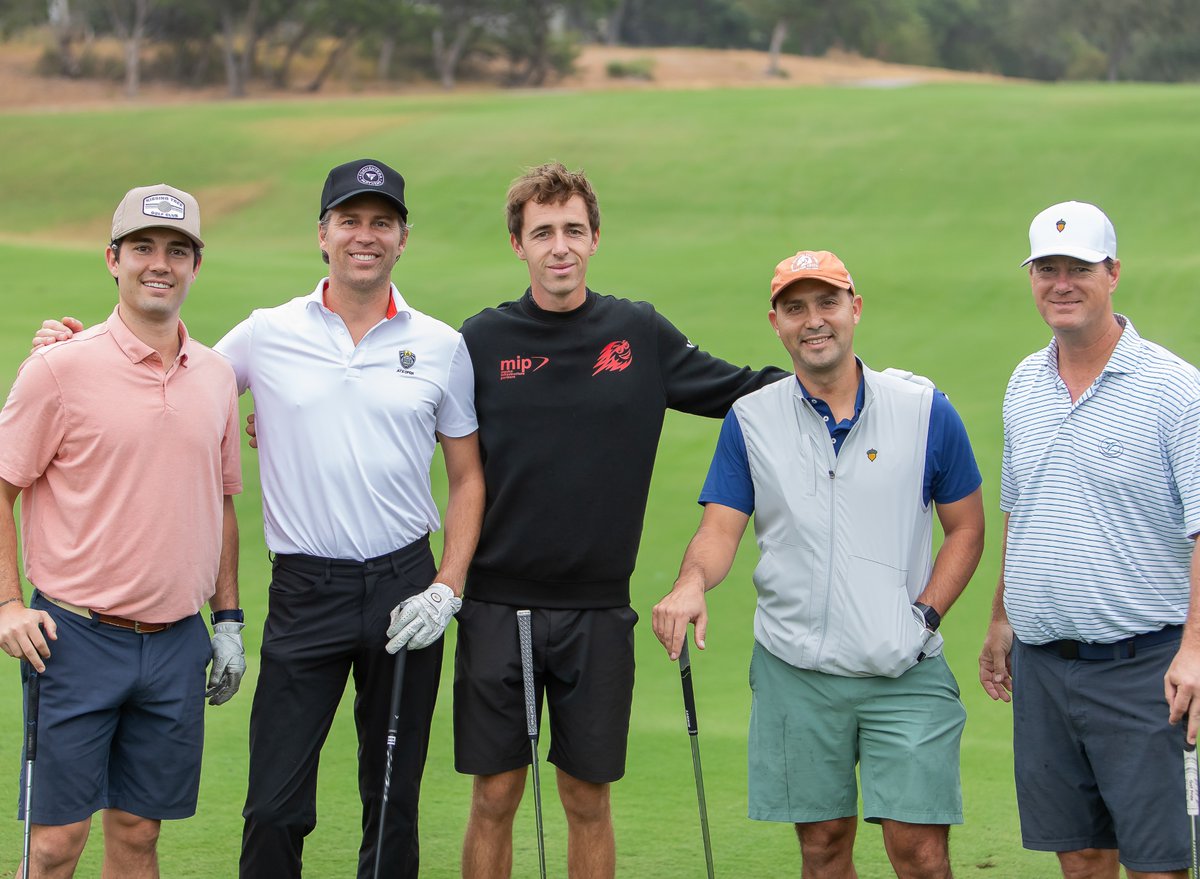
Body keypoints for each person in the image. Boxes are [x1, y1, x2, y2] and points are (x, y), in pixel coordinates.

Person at [32, 159, 486, 879]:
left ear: (403, 239)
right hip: (306, 590)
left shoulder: (440, 344)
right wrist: (73, 352)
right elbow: (175, 379)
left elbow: (467, 477)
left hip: (408, 584)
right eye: (349, 221)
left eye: (382, 223)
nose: (364, 236)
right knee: (274, 804)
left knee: (393, 793)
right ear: (322, 235)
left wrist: (448, 586)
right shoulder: (267, 333)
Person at [454, 163, 790, 879]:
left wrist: (857, 385)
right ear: (518, 244)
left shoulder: (635, 332)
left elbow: (741, 392)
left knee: (587, 796)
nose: (559, 247)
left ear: (596, 237)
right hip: (494, 604)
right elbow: (397, 417)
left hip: (597, 610)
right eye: (542, 232)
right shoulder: (481, 340)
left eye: (573, 229)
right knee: (495, 794)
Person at [652, 249, 985, 879]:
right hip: (795, 671)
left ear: (855, 309)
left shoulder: (924, 410)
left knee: (919, 852)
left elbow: (966, 528)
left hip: (903, 669)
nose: (814, 321)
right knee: (823, 846)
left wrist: (925, 615)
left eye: (828, 302)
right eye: (795, 307)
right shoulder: (750, 421)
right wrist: (691, 582)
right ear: (775, 323)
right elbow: (719, 530)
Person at [0, 183, 244, 879]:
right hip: (74, 640)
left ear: (196, 264)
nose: (158, 263)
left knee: (138, 834)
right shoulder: (57, 368)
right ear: (113, 259)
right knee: (54, 846)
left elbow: (221, 501)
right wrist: (8, 603)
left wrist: (227, 619)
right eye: (142, 248)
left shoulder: (217, 376)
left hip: (174, 643)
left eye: (176, 250)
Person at [978, 201, 1200, 879]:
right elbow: (1022, 508)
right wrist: (1000, 617)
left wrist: (1195, 648)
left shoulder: (1175, 389)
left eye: (1079, 268)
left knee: (1158, 864)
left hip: (1145, 667)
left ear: (1113, 273)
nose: (1061, 283)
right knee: (1078, 858)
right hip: (1045, 668)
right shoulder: (1024, 382)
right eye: (1047, 268)